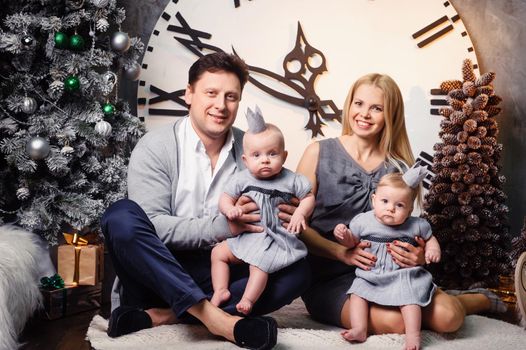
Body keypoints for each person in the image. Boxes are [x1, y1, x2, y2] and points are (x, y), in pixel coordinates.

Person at [101, 52, 310, 349]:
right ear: (189, 94)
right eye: (211, 93)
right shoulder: (156, 147)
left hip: (217, 272)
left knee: (297, 269)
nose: (221, 106)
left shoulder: (253, 148)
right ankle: (216, 320)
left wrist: (287, 212)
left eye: (231, 97)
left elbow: (282, 203)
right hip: (156, 271)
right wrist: (226, 226)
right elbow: (154, 227)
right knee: (120, 216)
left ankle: (166, 315)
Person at [292, 73, 506, 337]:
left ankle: (479, 298)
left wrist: (417, 255)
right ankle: (449, 298)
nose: (364, 114)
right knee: (398, 323)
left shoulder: (400, 166)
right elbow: (296, 226)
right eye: (358, 104)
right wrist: (340, 252)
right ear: (349, 105)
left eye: (376, 108)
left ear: (390, 115)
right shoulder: (317, 152)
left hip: (392, 273)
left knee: (448, 318)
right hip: (331, 278)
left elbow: (408, 226)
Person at [211, 106, 315, 315]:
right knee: (218, 252)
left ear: (284, 156)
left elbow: (309, 197)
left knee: (260, 266)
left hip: (272, 238)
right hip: (249, 235)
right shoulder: (242, 178)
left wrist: (300, 213)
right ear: (246, 160)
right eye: (256, 155)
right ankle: (220, 290)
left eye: (272, 153)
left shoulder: (291, 179)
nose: (265, 159)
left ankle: (248, 300)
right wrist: (229, 209)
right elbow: (225, 198)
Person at [333, 170, 440, 350]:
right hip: (371, 273)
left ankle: (413, 335)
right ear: (374, 200)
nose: (390, 208)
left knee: (410, 299)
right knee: (357, 294)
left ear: (409, 210)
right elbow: (352, 242)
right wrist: (343, 236)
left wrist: (432, 249)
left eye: (399, 205)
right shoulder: (363, 221)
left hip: (402, 275)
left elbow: (430, 238)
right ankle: (359, 328)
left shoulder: (416, 224)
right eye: (385, 201)